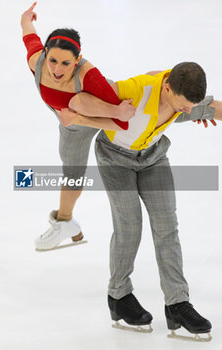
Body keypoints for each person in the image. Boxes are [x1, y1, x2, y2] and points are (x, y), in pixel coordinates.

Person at [59, 62, 222, 341]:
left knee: (167, 226)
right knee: (129, 227)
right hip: (114, 158)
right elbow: (83, 101)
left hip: (152, 157)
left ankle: (177, 303)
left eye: (189, 108)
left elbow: (213, 107)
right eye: (183, 106)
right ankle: (119, 295)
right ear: (167, 86)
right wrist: (76, 119)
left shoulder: (183, 97)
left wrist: (196, 110)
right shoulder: (134, 90)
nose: (187, 111)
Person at [21, 2, 136, 251]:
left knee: (178, 105)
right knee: (71, 172)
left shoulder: (89, 76)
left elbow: (121, 124)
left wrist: (84, 117)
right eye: (52, 60)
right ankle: (66, 223)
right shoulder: (36, 61)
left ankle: (205, 107)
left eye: (66, 63)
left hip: (112, 111)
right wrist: (27, 18)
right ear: (45, 54)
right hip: (72, 125)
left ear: (78, 60)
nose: (56, 70)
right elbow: (28, 33)